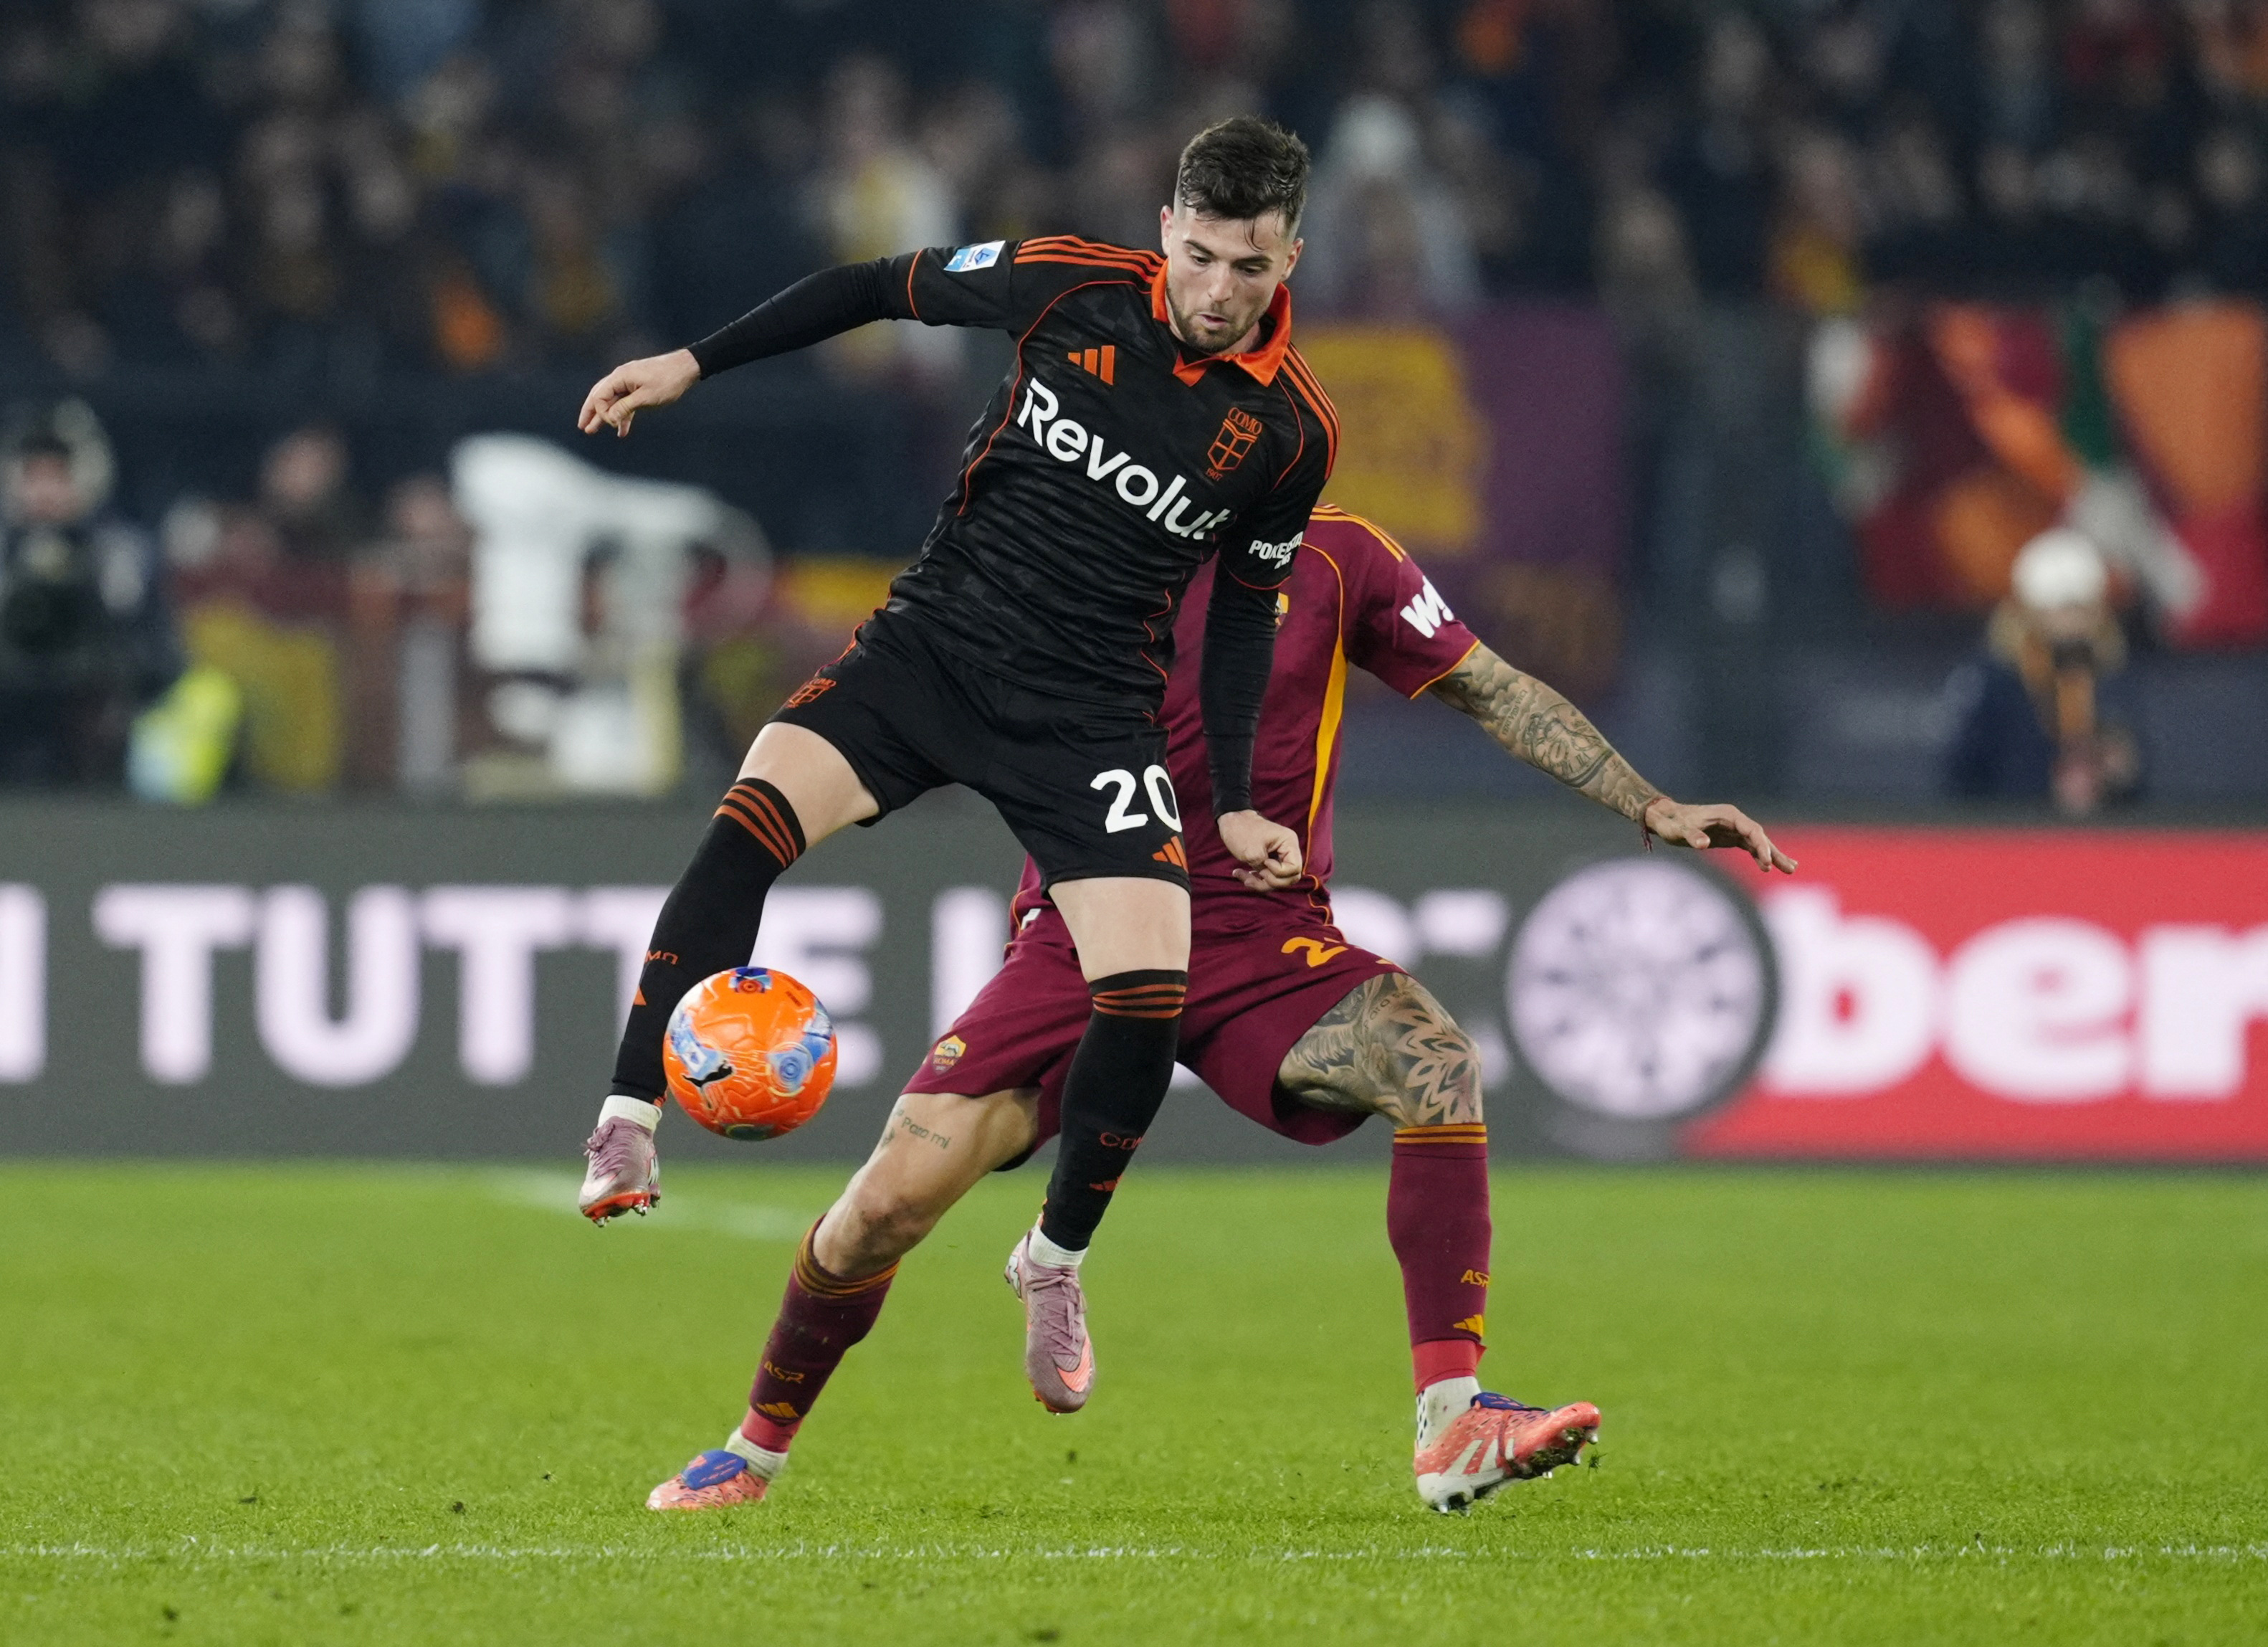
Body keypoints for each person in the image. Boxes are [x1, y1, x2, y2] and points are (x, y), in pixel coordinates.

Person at [642, 506, 1796, 1515]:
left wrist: (1649, 803)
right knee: (882, 1211)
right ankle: (753, 1448)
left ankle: (1455, 1419)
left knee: (1435, 1060)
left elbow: (1489, 686)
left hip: (1259, 934)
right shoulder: (1076, 550)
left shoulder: (1343, 558)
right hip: (1086, 925)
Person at [575, 118, 1334, 1416]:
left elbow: (1249, 606)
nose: (1216, 292)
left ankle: (1053, 1257)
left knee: (1149, 987)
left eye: (1248, 270)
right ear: (1164, 227)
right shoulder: (1063, 282)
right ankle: (628, 1114)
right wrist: (692, 365)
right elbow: (874, 287)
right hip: (933, 650)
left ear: (1289, 259)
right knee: (750, 819)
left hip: (1092, 712)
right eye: (1199, 255)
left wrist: (1250, 799)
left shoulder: (1287, 434)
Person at [1944, 528, 2141, 813]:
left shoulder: (2111, 667)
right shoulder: (1995, 675)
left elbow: (2139, 769)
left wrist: (2118, 769)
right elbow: (1961, 770)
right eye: (2059, 610)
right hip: (2011, 829)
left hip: (2101, 833)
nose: (2070, 623)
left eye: (2081, 610)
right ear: (2029, 612)